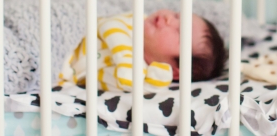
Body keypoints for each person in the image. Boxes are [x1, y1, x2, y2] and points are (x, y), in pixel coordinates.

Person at [58, 9, 226, 91]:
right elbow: (106, 25)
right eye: (176, 15)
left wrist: (153, 81)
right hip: (63, 42)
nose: (169, 19)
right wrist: (126, 59)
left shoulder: (141, 76)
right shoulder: (133, 22)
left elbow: (119, 83)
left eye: (179, 32)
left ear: (175, 73)